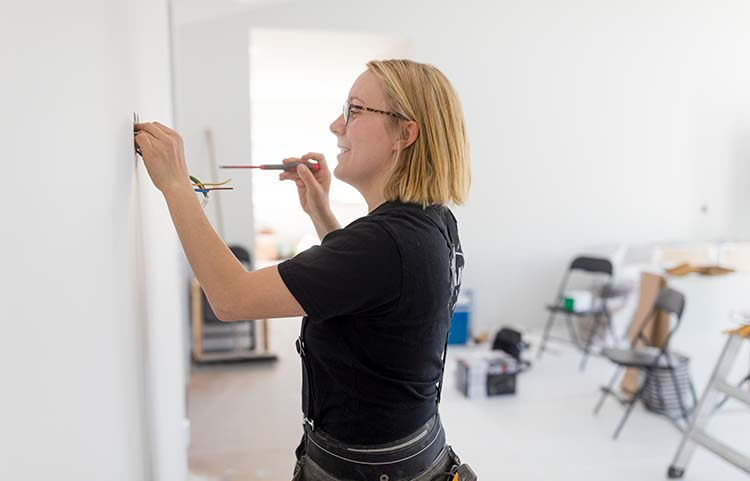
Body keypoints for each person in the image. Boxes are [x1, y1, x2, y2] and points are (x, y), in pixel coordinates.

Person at [134, 58, 473, 481]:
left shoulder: (384, 243)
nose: (336, 125)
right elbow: (373, 293)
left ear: (405, 133)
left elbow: (230, 297)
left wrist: (175, 184)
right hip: (417, 458)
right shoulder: (433, 222)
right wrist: (320, 212)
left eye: (354, 109)